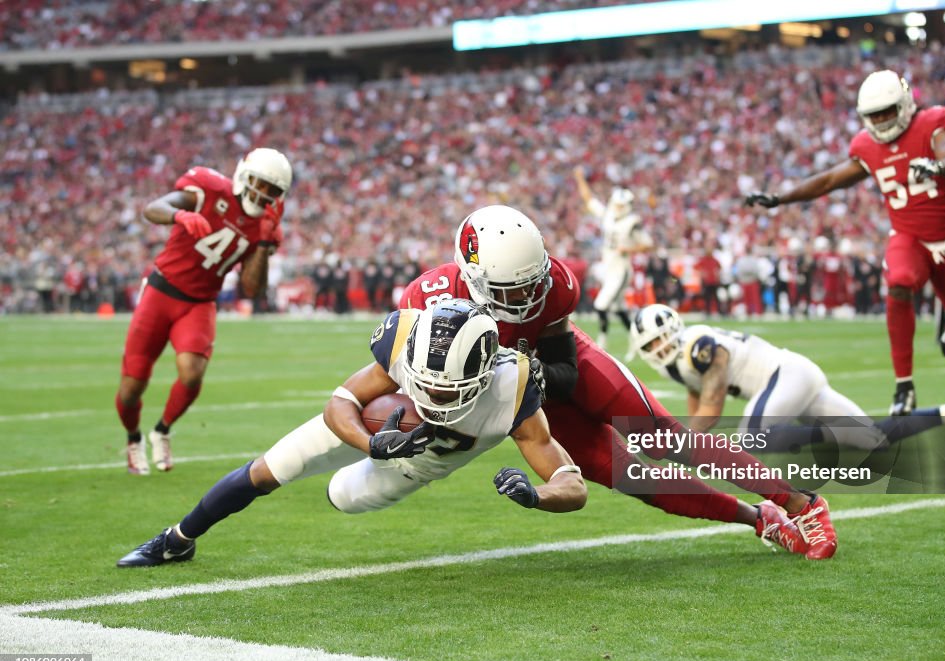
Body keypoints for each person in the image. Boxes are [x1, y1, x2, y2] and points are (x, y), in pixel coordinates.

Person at [401, 205, 826, 559]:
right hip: (529, 407)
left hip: (563, 372)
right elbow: (409, 379)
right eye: (515, 290)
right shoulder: (428, 306)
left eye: (534, 283)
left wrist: (532, 371)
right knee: (639, 480)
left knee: (665, 439)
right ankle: (760, 518)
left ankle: (801, 502)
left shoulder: (555, 288)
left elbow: (565, 367)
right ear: (475, 281)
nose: (530, 297)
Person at [117, 299, 589, 567]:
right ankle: (177, 539)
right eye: (424, 384)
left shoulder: (514, 386)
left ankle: (355, 477)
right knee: (271, 467)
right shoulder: (405, 343)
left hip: (416, 467)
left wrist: (537, 497)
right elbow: (340, 404)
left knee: (341, 494)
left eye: (448, 392)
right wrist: (371, 443)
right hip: (375, 433)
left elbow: (571, 483)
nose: (433, 398)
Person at [745, 69, 945, 416]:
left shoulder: (934, 123)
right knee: (899, 281)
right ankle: (904, 385)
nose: (883, 120)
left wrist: (936, 167)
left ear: (904, 104)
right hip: (909, 237)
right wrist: (780, 198)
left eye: (888, 110)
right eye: (875, 115)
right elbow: (828, 180)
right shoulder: (867, 146)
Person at [116, 148, 292, 475]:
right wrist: (180, 215)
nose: (263, 193)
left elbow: (251, 289)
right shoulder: (210, 189)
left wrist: (265, 244)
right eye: (260, 183)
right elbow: (153, 208)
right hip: (161, 290)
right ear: (244, 175)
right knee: (131, 388)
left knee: (192, 373)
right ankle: (133, 438)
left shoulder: (266, 226)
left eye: (272, 190)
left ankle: (162, 430)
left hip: (199, 302)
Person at [629, 303, 945, 452]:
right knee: (874, 440)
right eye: (652, 342)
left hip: (787, 375)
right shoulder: (672, 362)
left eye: (661, 336)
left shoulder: (697, 343)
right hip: (791, 382)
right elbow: (697, 389)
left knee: (752, 439)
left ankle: (786, 513)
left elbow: (714, 392)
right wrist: (693, 433)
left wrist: (688, 442)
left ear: (675, 328)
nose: (659, 345)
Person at [573, 166, 653, 349]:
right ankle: (638, 339)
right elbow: (589, 199)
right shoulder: (608, 215)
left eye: (620, 205)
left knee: (601, 304)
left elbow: (648, 244)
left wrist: (629, 248)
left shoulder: (632, 222)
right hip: (608, 267)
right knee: (619, 308)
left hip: (621, 269)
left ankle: (601, 341)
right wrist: (579, 178)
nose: (617, 208)